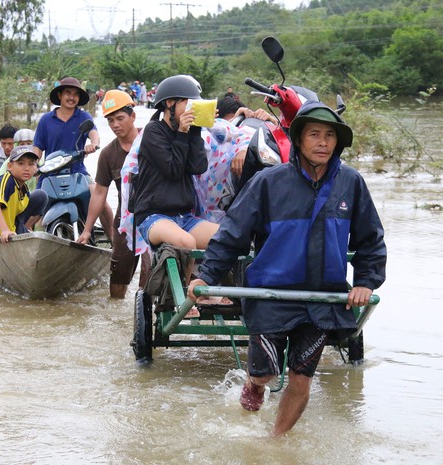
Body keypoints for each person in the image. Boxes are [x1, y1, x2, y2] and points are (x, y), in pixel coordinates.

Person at [187, 100, 387, 436]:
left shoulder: (351, 183)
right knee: (265, 374)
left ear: (338, 142)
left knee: (301, 379)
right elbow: (233, 232)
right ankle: (256, 383)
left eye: (329, 136)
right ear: (298, 139)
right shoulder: (269, 182)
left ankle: (275, 444)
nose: (322, 142)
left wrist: (365, 281)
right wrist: (206, 276)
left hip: (321, 298)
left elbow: (371, 238)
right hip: (270, 295)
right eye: (314, 135)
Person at [130, 74, 219, 253]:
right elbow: (173, 170)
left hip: (184, 217)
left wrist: (195, 130)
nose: (192, 109)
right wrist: (182, 133)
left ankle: (207, 280)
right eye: (189, 103)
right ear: (170, 103)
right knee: (186, 243)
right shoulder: (153, 130)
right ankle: (188, 283)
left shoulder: (188, 131)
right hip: (153, 216)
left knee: (229, 239)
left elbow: (198, 167)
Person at [76, 90, 151, 298]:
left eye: (120, 118)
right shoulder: (109, 154)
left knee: (150, 275)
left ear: (133, 116)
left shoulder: (152, 140)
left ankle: (144, 319)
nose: (115, 125)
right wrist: (87, 230)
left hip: (154, 219)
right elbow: (100, 193)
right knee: (117, 283)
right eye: (110, 121)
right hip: (125, 222)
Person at [33, 76, 113, 241]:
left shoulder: (83, 117)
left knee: (101, 200)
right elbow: (37, 148)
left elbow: (93, 134)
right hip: (49, 173)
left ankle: (114, 243)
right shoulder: (46, 120)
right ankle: (30, 243)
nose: (71, 97)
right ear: (60, 95)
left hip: (77, 171)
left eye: (75, 94)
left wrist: (94, 144)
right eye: (68, 93)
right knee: (33, 209)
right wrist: (34, 164)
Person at [0, 145, 49, 243]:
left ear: (36, 167)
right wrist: (5, 230)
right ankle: (21, 231)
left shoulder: (23, 188)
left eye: (31, 164)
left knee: (41, 196)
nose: (27, 168)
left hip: (14, 224)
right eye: (21, 163)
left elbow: (23, 211)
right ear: (10, 166)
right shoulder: (6, 179)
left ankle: (24, 230)